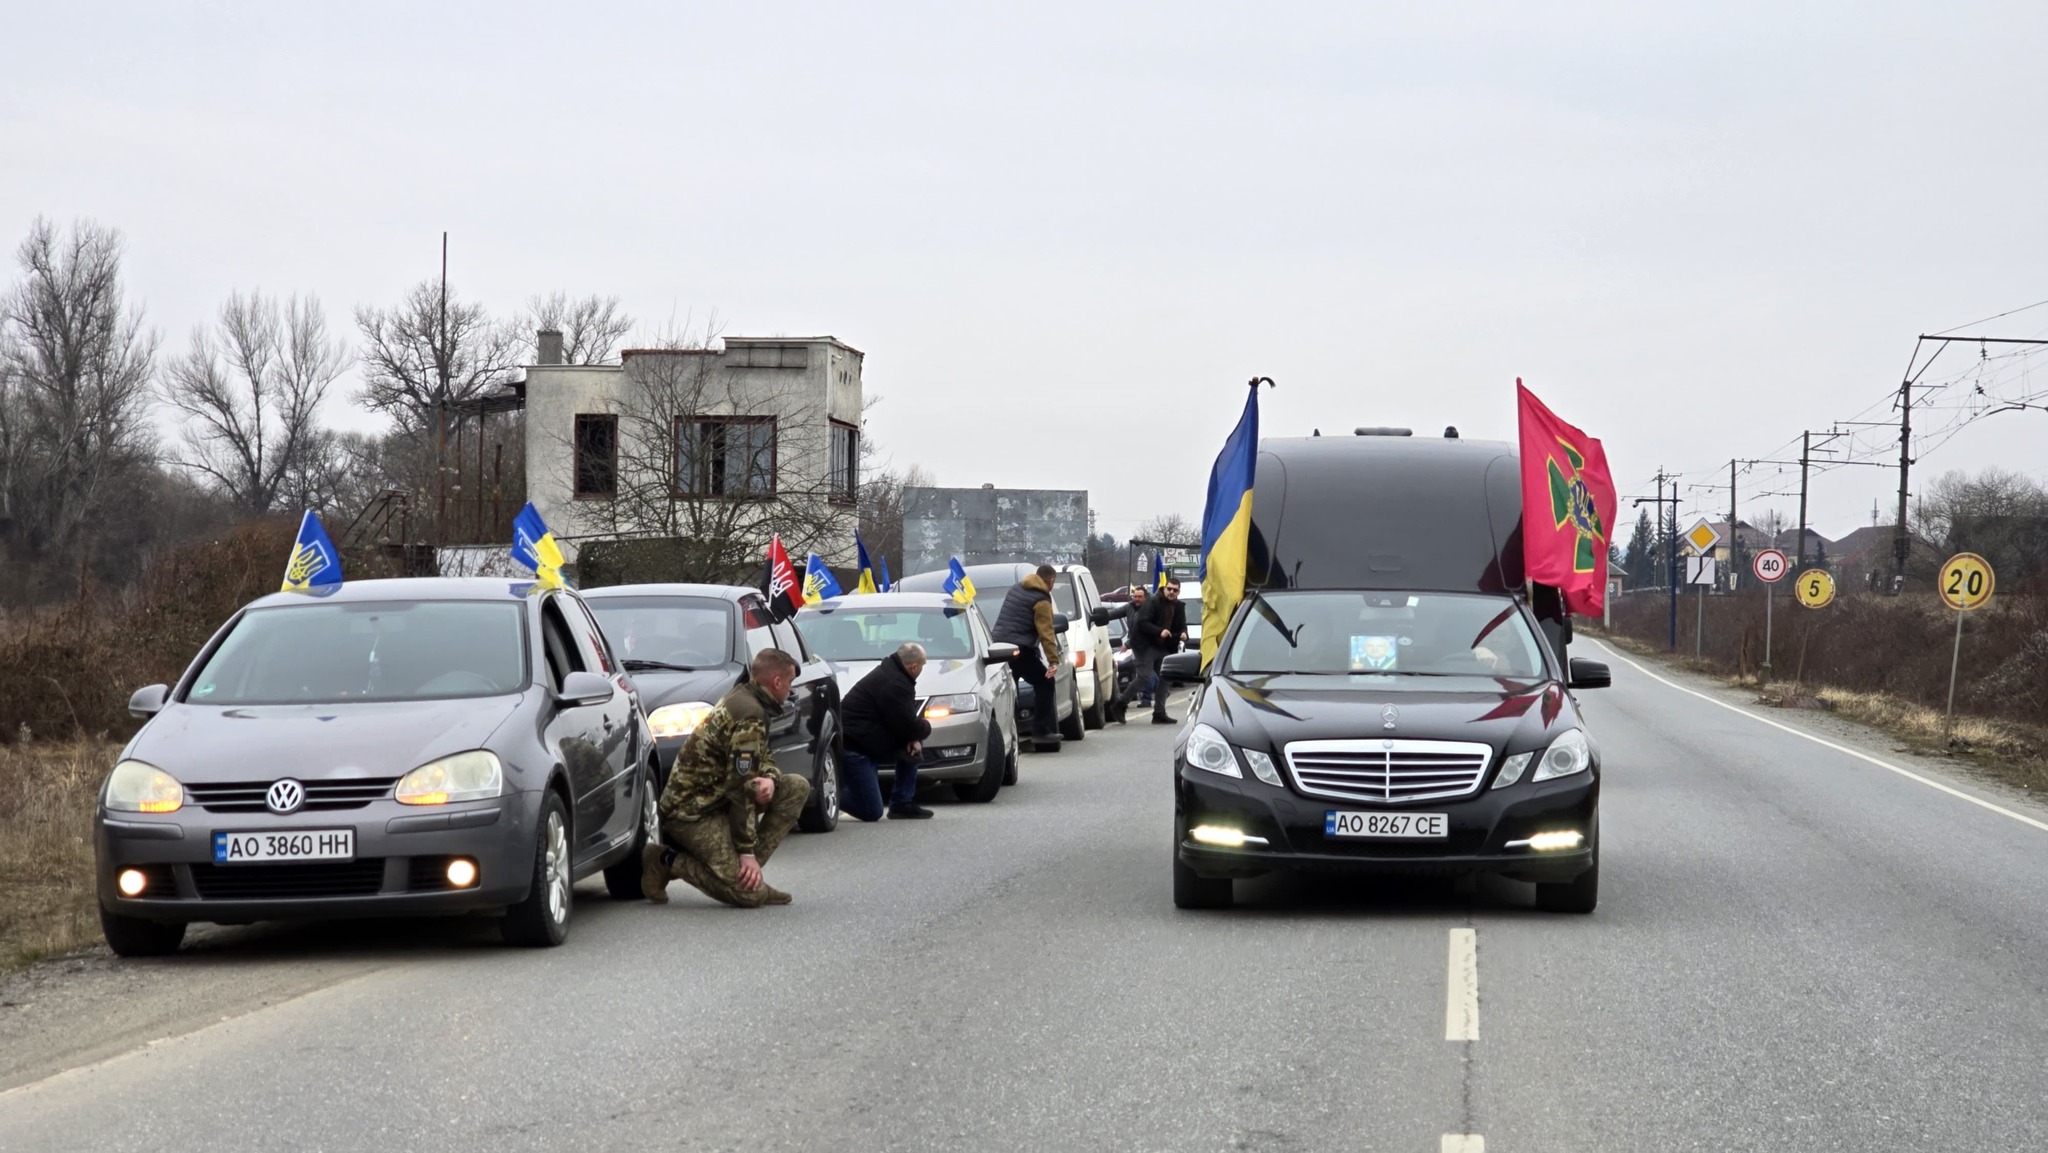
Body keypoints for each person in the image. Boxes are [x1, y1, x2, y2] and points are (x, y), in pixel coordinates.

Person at [641, 649, 812, 907]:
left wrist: (771, 779)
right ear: (776, 682)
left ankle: (748, 876)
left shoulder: (749, 697)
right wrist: (745, 851)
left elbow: (761, 757)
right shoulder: (751, 712)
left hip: (716, 800)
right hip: (690, 812)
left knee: (795, 787)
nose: (790, 691)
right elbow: (739, 786)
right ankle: (666, 861)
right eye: (789, 684)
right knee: (748, 896)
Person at [839, 641, 935, 821]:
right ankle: (823, 796)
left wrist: (912, 736)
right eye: (922, 666)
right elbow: (909, 724)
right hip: (855, 748)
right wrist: (924, 727)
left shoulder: (893, 672)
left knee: (913, 744)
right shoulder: (894, 684)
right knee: (871, 811)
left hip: (871, 740)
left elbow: (902, 723)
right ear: (914, 667)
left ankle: (902, 803)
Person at [992, 563, 1062, 752]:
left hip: (999, 648)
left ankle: (1006, 735)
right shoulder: (1041, 600)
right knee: (1045, 683)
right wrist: (1053, 661)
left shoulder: (1017, 588)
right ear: (1051, 580)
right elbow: (1046, 632)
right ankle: (1041, 731)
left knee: (1009, 692)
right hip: (1021, 649)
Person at [1134, 580, 1188, 724]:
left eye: (1175, 590)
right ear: (1164, 589)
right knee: (1145, 676)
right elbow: (1143, 623)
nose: (1171, 592)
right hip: (1149, 645)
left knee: (1166, 678)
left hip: (1166, 647)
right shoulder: (1154, 602)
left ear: (1179, 592)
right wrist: (1159, 632)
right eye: (1169, 589)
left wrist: (1184, 633)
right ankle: (1120, 704)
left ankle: (1159, 712)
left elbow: (1182, 625)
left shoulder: (1179, 606)